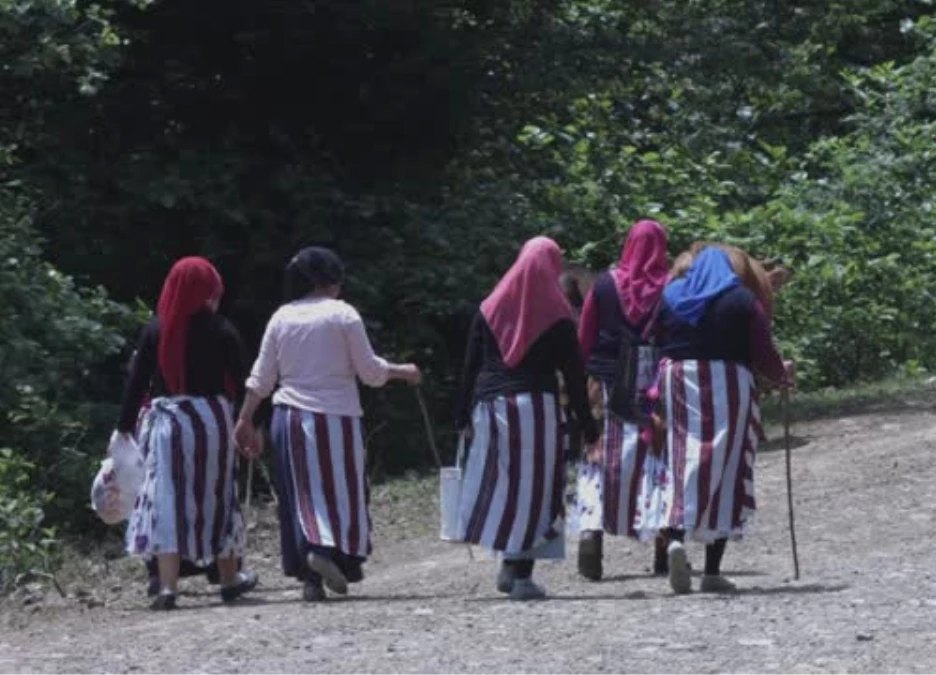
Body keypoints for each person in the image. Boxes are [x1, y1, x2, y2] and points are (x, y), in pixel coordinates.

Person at [234, 247, 422, 602]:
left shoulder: (281, 317)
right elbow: (369, 372)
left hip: (288, 418)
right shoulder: (343, 314)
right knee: (342, 493)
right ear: (332, 280)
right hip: (337, 419)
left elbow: (261, 378)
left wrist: (245, 419)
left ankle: (310, 580)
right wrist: (402, 371)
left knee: (299, 495)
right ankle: (331, 554)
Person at [452, 236, 600, 601]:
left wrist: (459, 412)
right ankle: (521, 576)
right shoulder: (560, 316)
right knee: (536, 491)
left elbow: (470, 365)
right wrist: (588, 423)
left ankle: (507, 564)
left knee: (505, 486)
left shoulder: (489, 308)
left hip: (491, 406)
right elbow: (576, 377)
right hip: (537, 409)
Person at [642, 246, 792, 594]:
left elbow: (652, 334)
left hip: (678, 378)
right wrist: (780, 375)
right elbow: (763, 349)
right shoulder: (740, 298)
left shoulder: (672, 293)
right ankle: (712, 570)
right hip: (727, 379)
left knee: (682, 456)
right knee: (727, 465)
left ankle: (676, 537)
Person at [118, 257, 259, 610]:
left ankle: (167, 588)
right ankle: (228, 580)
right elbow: (243, 380)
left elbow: (137, 383)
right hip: (212, 420)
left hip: (170, 423)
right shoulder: (221, 328)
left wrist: (123, 427)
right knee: (218, 496)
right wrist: (250, 423)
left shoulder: (156, 329)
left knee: (167, 500)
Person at [573, 220, 672, 581]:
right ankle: (665, 544)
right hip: (654, 385)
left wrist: (580, 378)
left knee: (597, 458)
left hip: (605, 382)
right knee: (659, 460)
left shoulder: (603, 284)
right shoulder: (671, 285)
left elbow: (585, 336)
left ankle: (591, 533)